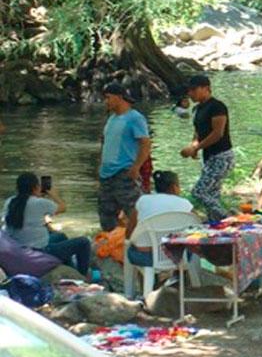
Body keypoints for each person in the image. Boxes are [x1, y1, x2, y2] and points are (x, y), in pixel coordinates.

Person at [3, 173, 91, 276]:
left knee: (60, 236)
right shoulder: (39, 203)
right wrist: (53, 194)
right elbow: (63, 207)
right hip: (39, 253)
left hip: (17, 250)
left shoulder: (10, 202)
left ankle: (70, 269)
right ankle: (82, 275)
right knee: (84, 242)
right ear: (35, 187)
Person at [99, 83, 152, 237]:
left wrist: (136, 167)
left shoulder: (135, 118)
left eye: (108, 98)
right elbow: (105, 143)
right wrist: (101, 164)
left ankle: (144, 242)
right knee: (106, 215)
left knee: (135, 211)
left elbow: (145, 143)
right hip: (106, 174)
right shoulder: (112, 118)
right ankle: (112, 244)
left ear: (119, 97)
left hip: (124, 172)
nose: (106, 101)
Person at [180, 75, 234, 221]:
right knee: (212, 194)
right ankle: (216, 226)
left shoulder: (217, 106)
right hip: (209, 157)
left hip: (222, 156)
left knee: (199, 191)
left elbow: (218, 133)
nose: (190, 94)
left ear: (206, 88)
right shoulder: (197, 109)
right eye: (189, 91)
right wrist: (193, 146)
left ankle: (227, 217)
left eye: (194, 90)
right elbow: (198, 132)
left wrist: (196, 148)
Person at [126, 171, 195, 267]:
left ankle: (147, 280)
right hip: (178, 256)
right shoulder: (185, 204)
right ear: (174, 187)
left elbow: (129, 231)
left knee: (131, 248)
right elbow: (197, 228)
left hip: (145, 257)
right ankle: (181, 276)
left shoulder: (143, 200)